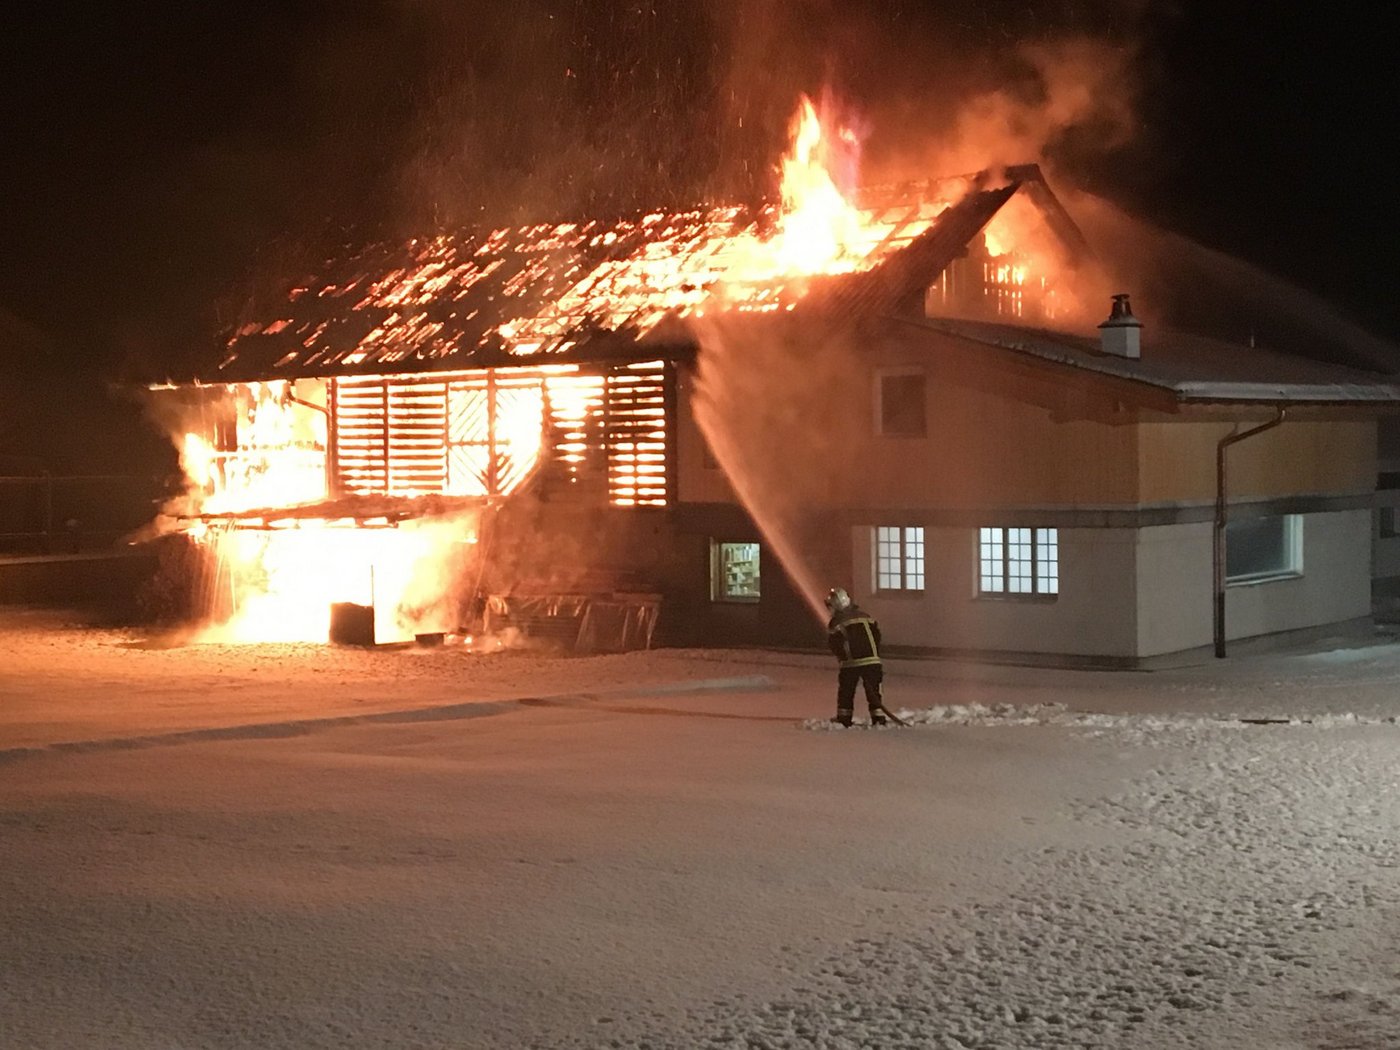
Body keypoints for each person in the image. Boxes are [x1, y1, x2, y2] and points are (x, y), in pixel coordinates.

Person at [824, 587, 886, 727]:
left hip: (851, 664)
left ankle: (844, 719)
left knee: (846, 691)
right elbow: (877, 636)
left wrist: (843, 657)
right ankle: (878, 719)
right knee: (874, 692)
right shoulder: (866, 616)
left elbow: (834, 644)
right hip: (873, 662)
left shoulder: (836, 622)